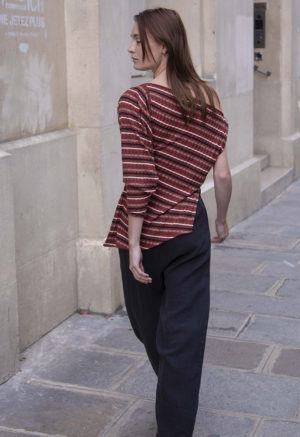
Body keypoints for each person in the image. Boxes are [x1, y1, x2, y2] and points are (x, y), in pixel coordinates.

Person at [103, 7, 232, 437]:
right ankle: (176, 403)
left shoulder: (135, 101)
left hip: (146, 233)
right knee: (182, 335)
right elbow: (223, 174)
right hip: (190, 226)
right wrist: (223, 220)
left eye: (138, 39)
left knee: (149, 328)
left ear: (162, 44)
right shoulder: (207, 97)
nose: (130, 47)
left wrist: (135, 243)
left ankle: (174, 400)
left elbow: (140, 178)